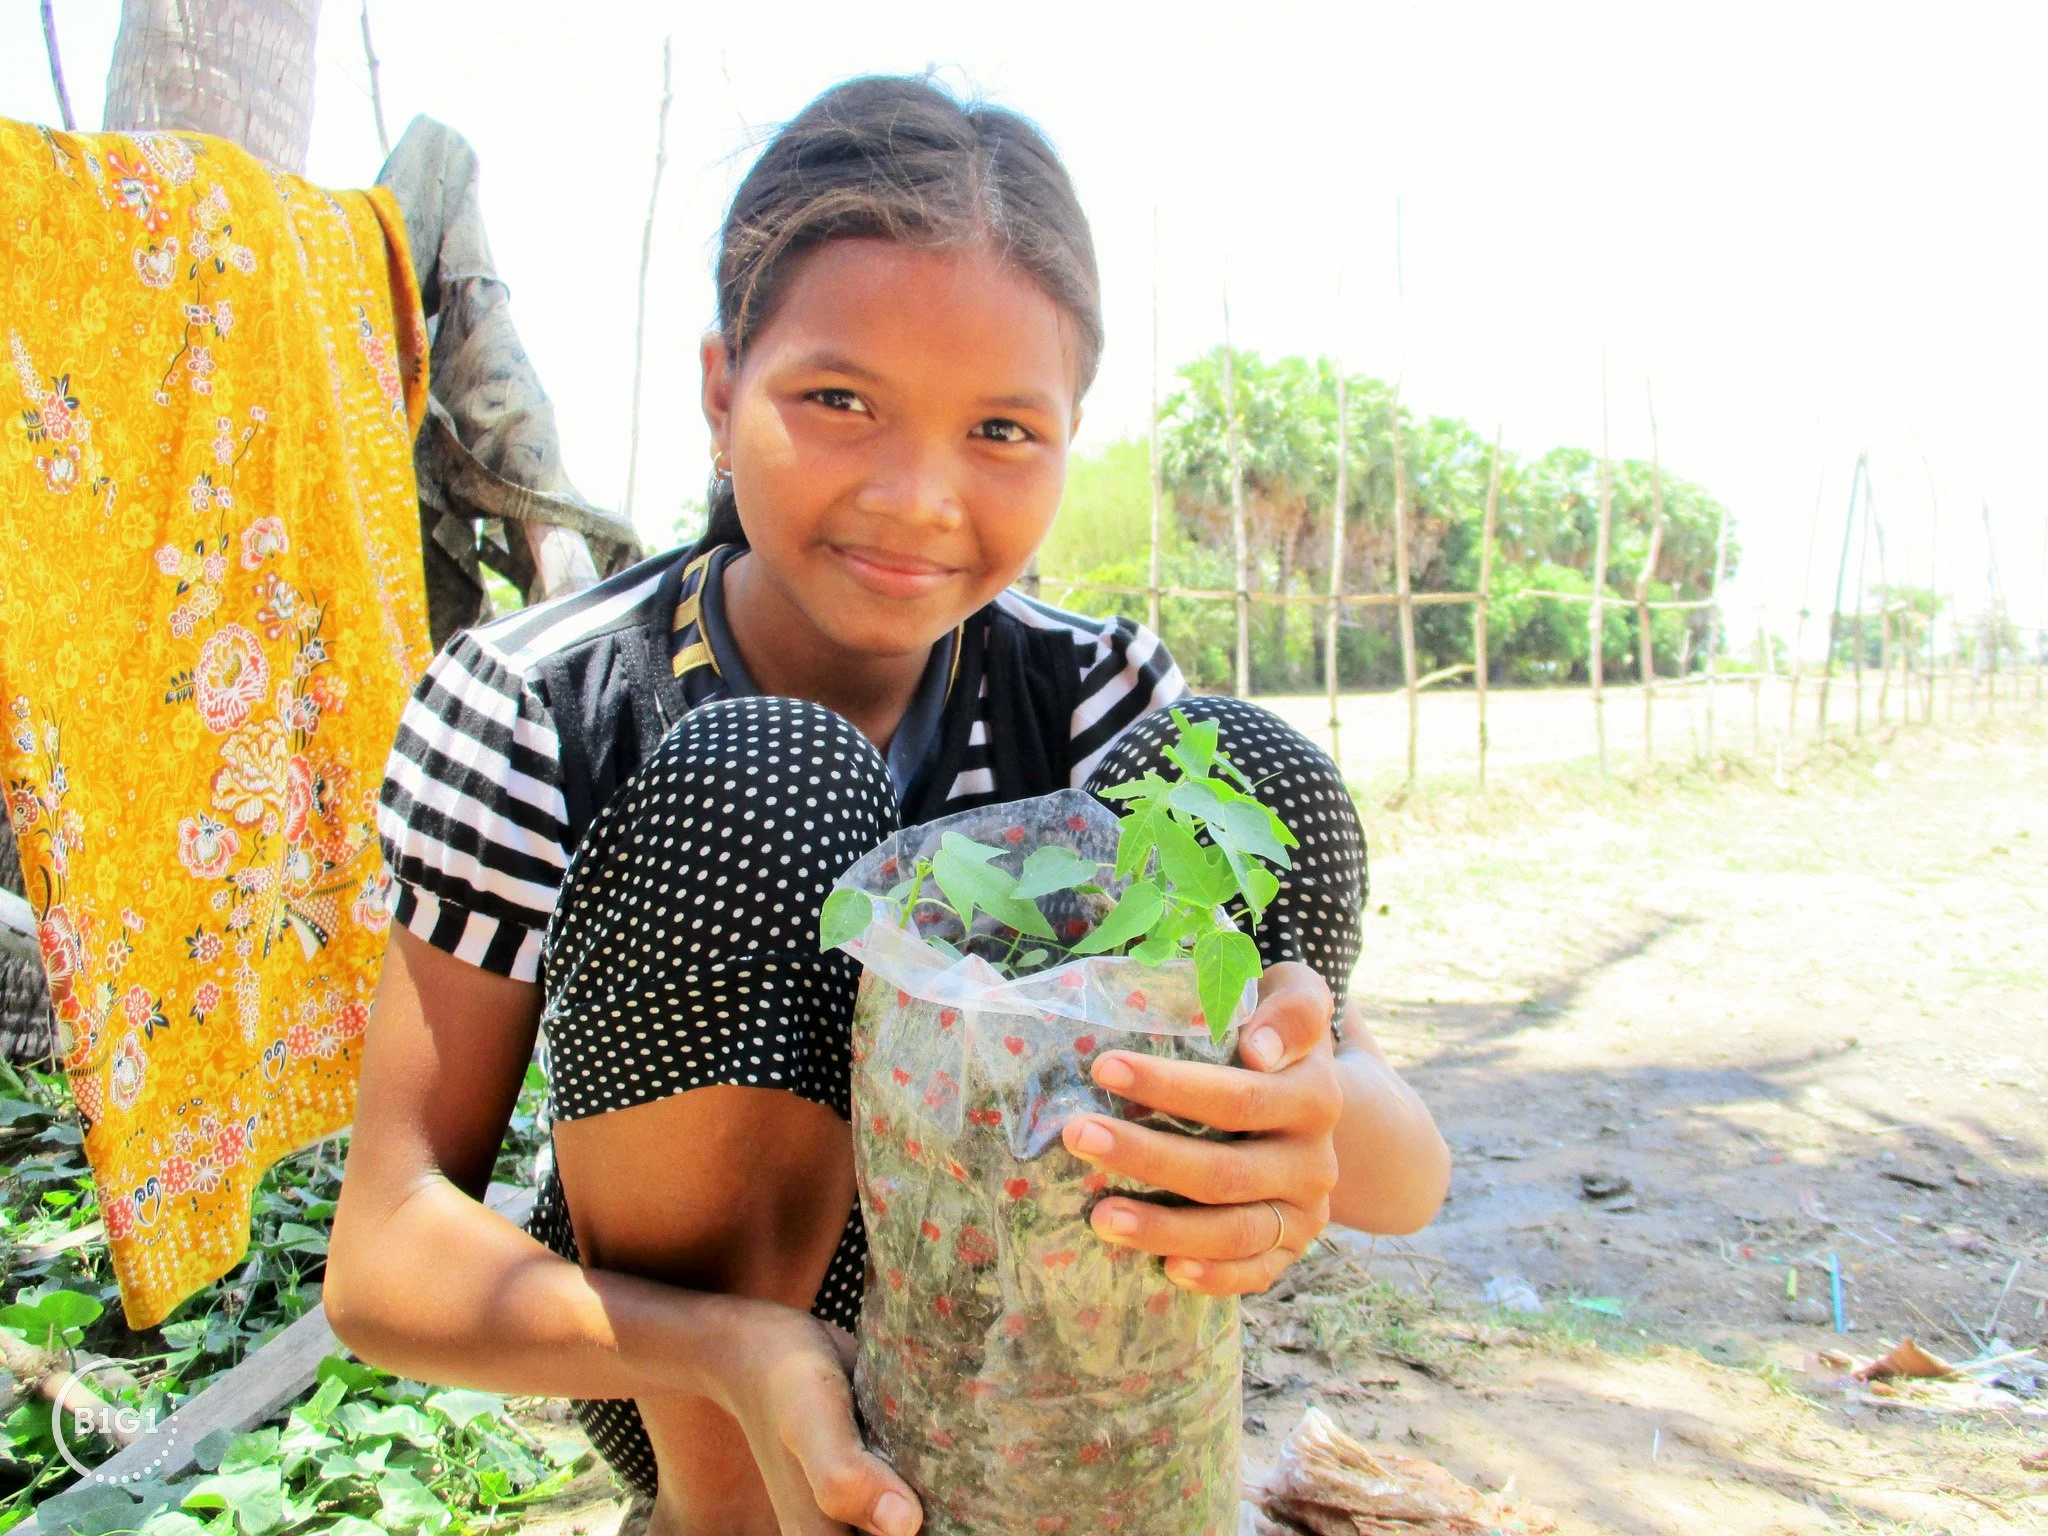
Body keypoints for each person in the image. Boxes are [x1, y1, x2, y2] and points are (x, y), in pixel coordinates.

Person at [326, 74, 1449, 1536]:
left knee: (1251, 770)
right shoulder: (536, 703)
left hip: (1022, 1323)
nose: (922, 498)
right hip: (694, 1355)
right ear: (723, 388)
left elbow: (1402, 1175)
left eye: (1001, 432)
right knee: (767, 782)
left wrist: (1294, 1122)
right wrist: (737, 1353)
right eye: (840, 401)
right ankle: (732, 1520)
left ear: (1069, 435)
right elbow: (386, 1257)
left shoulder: (1097, 703)